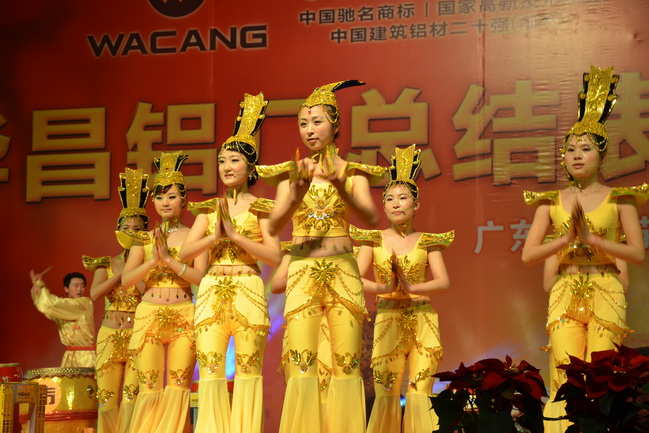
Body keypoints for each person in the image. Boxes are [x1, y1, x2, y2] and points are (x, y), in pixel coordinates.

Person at [521, 65, 648, 433]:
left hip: (606, 288)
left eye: (586, 149)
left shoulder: (619, 199)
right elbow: (529, 255)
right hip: (565, 291)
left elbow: (637, 253)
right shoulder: (550, 202)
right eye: (570, 150)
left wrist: (593, 239)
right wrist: (566, 239)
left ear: (601, 156)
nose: (576, 155)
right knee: (564, 373)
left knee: (601, 375)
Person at [257, 80, 386, 433]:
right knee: (303, 364)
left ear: (335, 125)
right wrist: (295, 195)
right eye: (303, 123)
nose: (309, 130)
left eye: (317, 122)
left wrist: (341, 185)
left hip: (343, 271)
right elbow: (274, 225)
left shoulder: (353, 172)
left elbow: (371, 219)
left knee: (346, 365)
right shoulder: (291, 175)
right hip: (302, 271)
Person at [179, 92, 280, 433]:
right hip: (211, 291)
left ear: (250, 167)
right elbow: (185, 253)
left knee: (249, 371)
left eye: (234, 160)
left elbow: (274, 255)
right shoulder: (209, 209)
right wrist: (215, 236)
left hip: (248, 288)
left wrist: (235, 237)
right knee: (210, 370)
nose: (226, 167)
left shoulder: (262, 208)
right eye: (222, 161)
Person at [351, 144, 453, 433]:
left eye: (403, 198)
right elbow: (353, 278)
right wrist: (383, 286)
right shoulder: (373, 240)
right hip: (387, 320)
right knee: (386, 394)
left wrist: (412, 286)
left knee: (420, 393)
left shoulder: (428, 241)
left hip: (423, 320)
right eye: (390, 199)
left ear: (416, 205)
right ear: (383, 206)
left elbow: (443, 281)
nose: (396, 204)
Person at [121, 151, 208, 433]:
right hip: (149, 315)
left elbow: (201, 278)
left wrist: (170, 261)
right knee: (149, 384)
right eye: (159, 197)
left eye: (171, 196)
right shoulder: (143, 239)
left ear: (184, 200)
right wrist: (153, 261)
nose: (165, 203)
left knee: (179, 384)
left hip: (184, 314)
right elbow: (126, 280)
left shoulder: (194, 236)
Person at [82, 167, 149, 433]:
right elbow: (94, 294)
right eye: (126, 227)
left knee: (132, 397)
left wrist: (135, 268)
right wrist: (120, 273)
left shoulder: (148, 264)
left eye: (137, 228)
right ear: (117, 230)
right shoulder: (106, 263)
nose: (131, 231)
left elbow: (149, 293)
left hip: (136, 334)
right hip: (109, 335)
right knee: (107, 399)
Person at [30, 270, 95, 368]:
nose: (79, 289)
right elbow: (46, 308)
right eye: (76, 286)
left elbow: (53, 304)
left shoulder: (84, 303)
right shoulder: (62, 310)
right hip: (69, 356)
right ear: (66, 289)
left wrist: (41, 287)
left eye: (82, 286)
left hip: (86, 357)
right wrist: (38, 288)